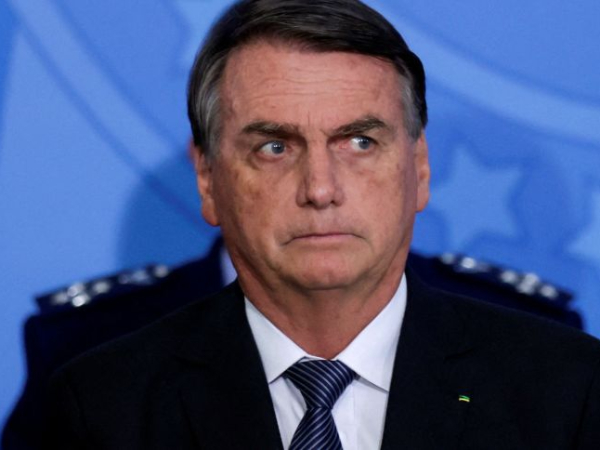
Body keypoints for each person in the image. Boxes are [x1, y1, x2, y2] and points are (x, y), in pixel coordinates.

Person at [44, 0, 600, 449]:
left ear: (420, 169)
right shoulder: (98, 409)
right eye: (274, 147)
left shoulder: (567, 391)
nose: (320, 189)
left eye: (360, 142)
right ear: (208, 180)